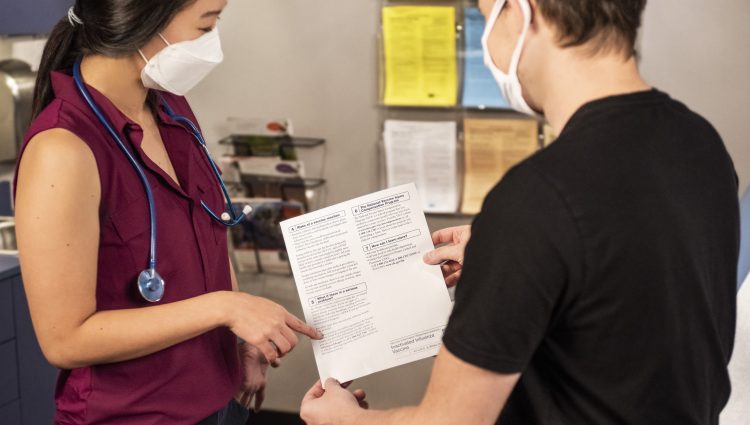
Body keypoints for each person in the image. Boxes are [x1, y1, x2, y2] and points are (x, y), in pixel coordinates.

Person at [300, 0, 739, 424]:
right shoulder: (700, 143)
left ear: (522, 11)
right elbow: (629, 280)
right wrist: (517, 254)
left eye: (486, 15)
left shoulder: (536, 198)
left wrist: (342, 420)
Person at [14, 1, 321, 424]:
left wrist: (239, 341)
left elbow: (210, 229)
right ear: (145, 18)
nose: (213, 42)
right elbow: (65, 340)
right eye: (207, 23)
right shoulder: (63, 148)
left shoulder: (171, 108)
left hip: (220, 401)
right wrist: (227, 308)